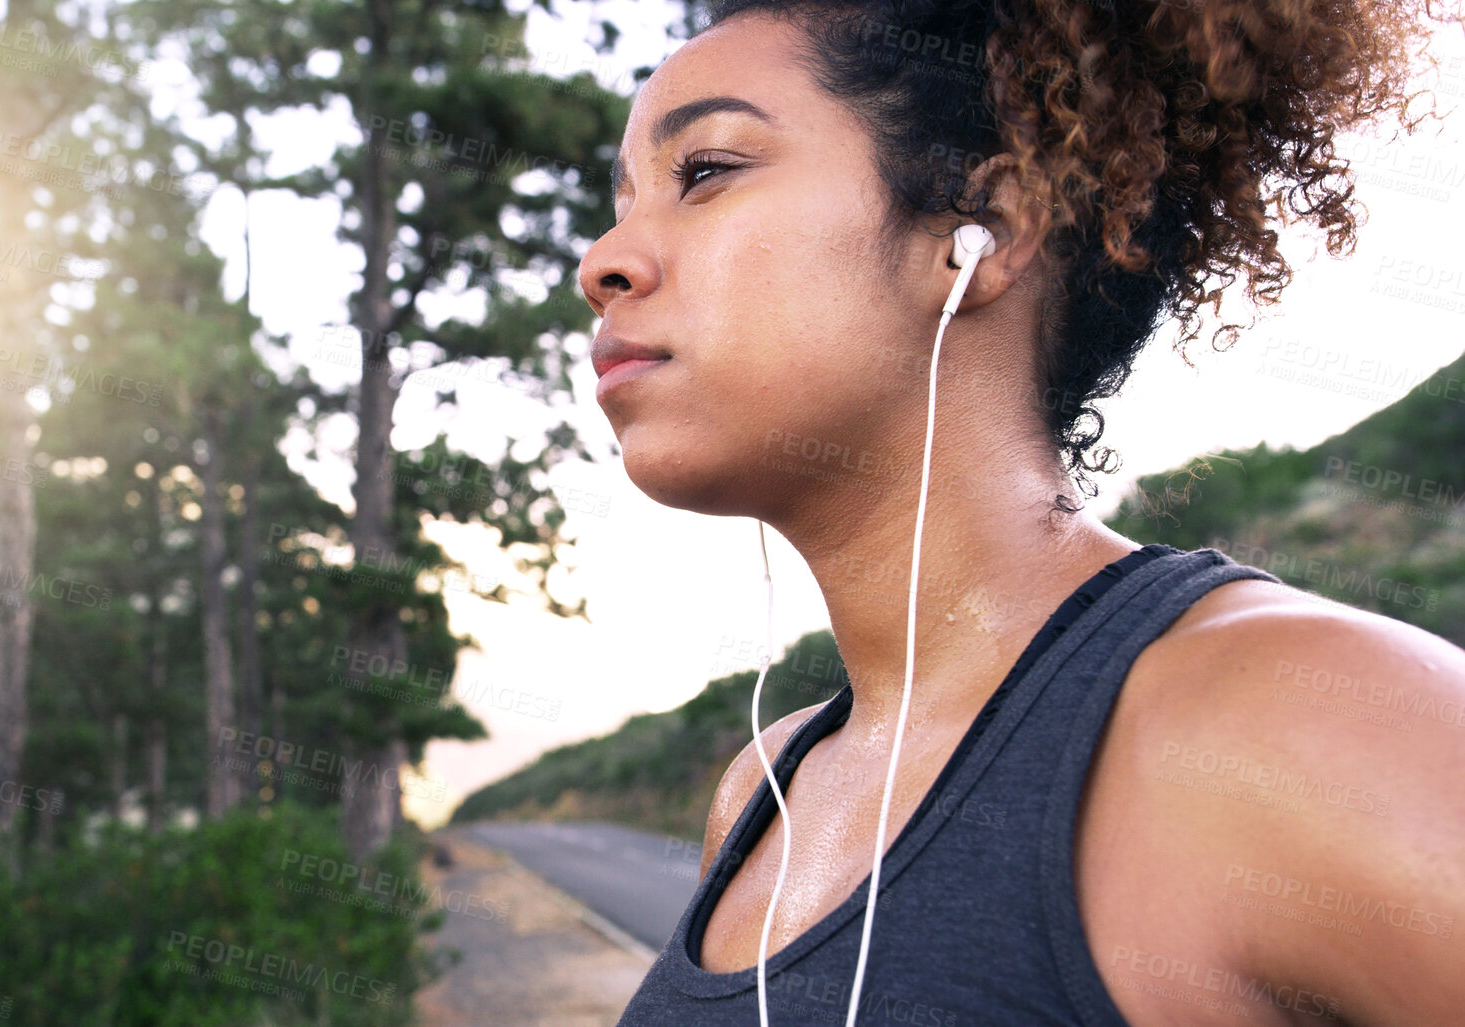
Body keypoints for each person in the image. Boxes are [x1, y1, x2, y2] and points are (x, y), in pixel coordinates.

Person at [577, 0, 1465, 1022]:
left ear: (982, 230)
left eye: (706, 172)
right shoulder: (765, 789)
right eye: (624, 197)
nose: (603, 259)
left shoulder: (1295, 723)